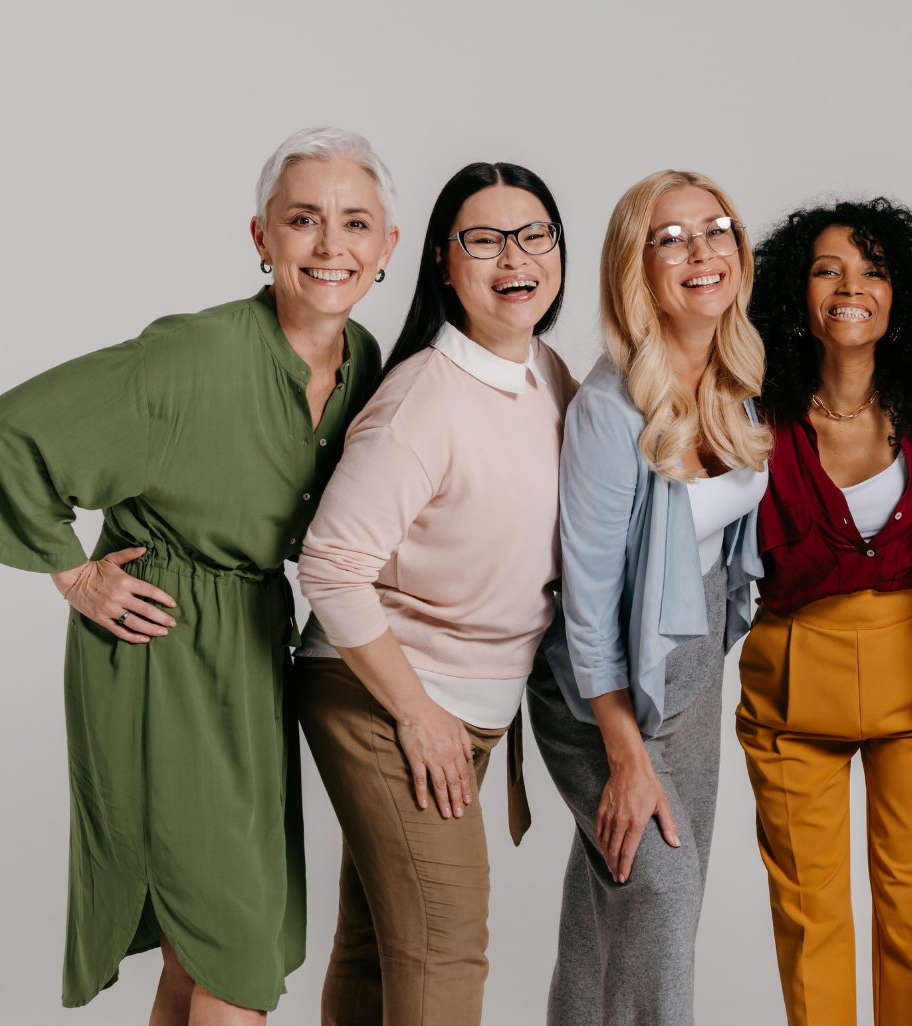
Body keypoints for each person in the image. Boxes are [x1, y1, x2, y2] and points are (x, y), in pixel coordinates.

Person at [0, 126, 399, 1023]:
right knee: (234, 948)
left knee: (214, 944)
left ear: (387, 247)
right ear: (260, 238)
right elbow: (9, 430)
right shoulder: (191, 357)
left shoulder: (366, 369)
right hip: (158, 650)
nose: (330, 246)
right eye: (303, 220)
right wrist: (73, 574)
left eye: (354, 223)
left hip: (249, 652)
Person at [292, 161, 577, 1026]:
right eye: (484, 240)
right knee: (444, 951)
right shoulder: (425, 396)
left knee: (381, 949)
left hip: (466, 703)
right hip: (387, 693)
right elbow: (332, 563)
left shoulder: (548, 376)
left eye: (533, 235)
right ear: (444, 266)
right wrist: (416, 713)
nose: (513, 257)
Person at [531, 170, 771, 1026]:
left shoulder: (738, 379)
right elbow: (589, 602)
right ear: (637, 268)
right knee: (661, 894)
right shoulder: (609, 408)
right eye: (671, 238)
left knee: (628, 896)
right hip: (602, 690)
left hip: (695, 663)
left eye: (716, 230)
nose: (702, 251)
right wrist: (626, 753)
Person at [736, 198, 912, 1026]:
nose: (850, 286)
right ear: (797, 294)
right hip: (792, 681)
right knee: (809, 914)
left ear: (901, 296)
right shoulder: (754, 410)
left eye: (872, 270)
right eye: (827, 268)